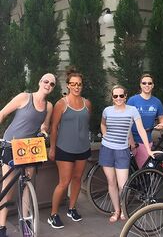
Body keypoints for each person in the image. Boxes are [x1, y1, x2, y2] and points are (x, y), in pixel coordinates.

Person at [0, 73, 55, 237]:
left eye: (52, 84)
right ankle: (2, 227)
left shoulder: (49, 106)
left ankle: (25, 220)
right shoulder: (24, 97)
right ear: (40, 82)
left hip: (29, 149)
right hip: (11, 145)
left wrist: (44, 133)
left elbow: (44, 126)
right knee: (7, 188)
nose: (48, 85)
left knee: (27, 183)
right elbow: (2, 114)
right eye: (46, 81)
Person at [99, 85, 158, 223]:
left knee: (123, 185)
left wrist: (148, 150)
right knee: (111, 182)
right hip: (107, 149)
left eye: (121, 95)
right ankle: (116, 210)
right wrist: (105, 135)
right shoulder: (107, 110)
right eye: (115, 96)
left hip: (122, 150)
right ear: (112, 98)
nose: (118, 98)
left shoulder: (132, 110)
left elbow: (141, 129)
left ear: (125, 96)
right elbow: (102, 124)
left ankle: (122, 207)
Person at [48, 68, 91, 229]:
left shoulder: (87, 103)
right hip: (64, 149)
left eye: (79, 84)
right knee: (64, 182)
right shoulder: (61, 104)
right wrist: (52, 148)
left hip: (83, 149)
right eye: (73, 84)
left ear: (82, 86)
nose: (76, 87)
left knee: (78, 179)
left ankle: (72, 208)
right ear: (68, 85)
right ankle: (53, 215)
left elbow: (84, 125)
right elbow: (54, 128)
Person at [127, 74, 163, 168]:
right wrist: (130, 139)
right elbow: (126, 120)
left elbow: (162, 118)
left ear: (153, 85)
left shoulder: (157, 102)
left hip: (146, 141)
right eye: (144, 83)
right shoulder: (132, 100)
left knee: (144, 170)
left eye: (149, 83)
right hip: (131, 139)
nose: (147, 85)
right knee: (127, 169)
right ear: (140, 85)